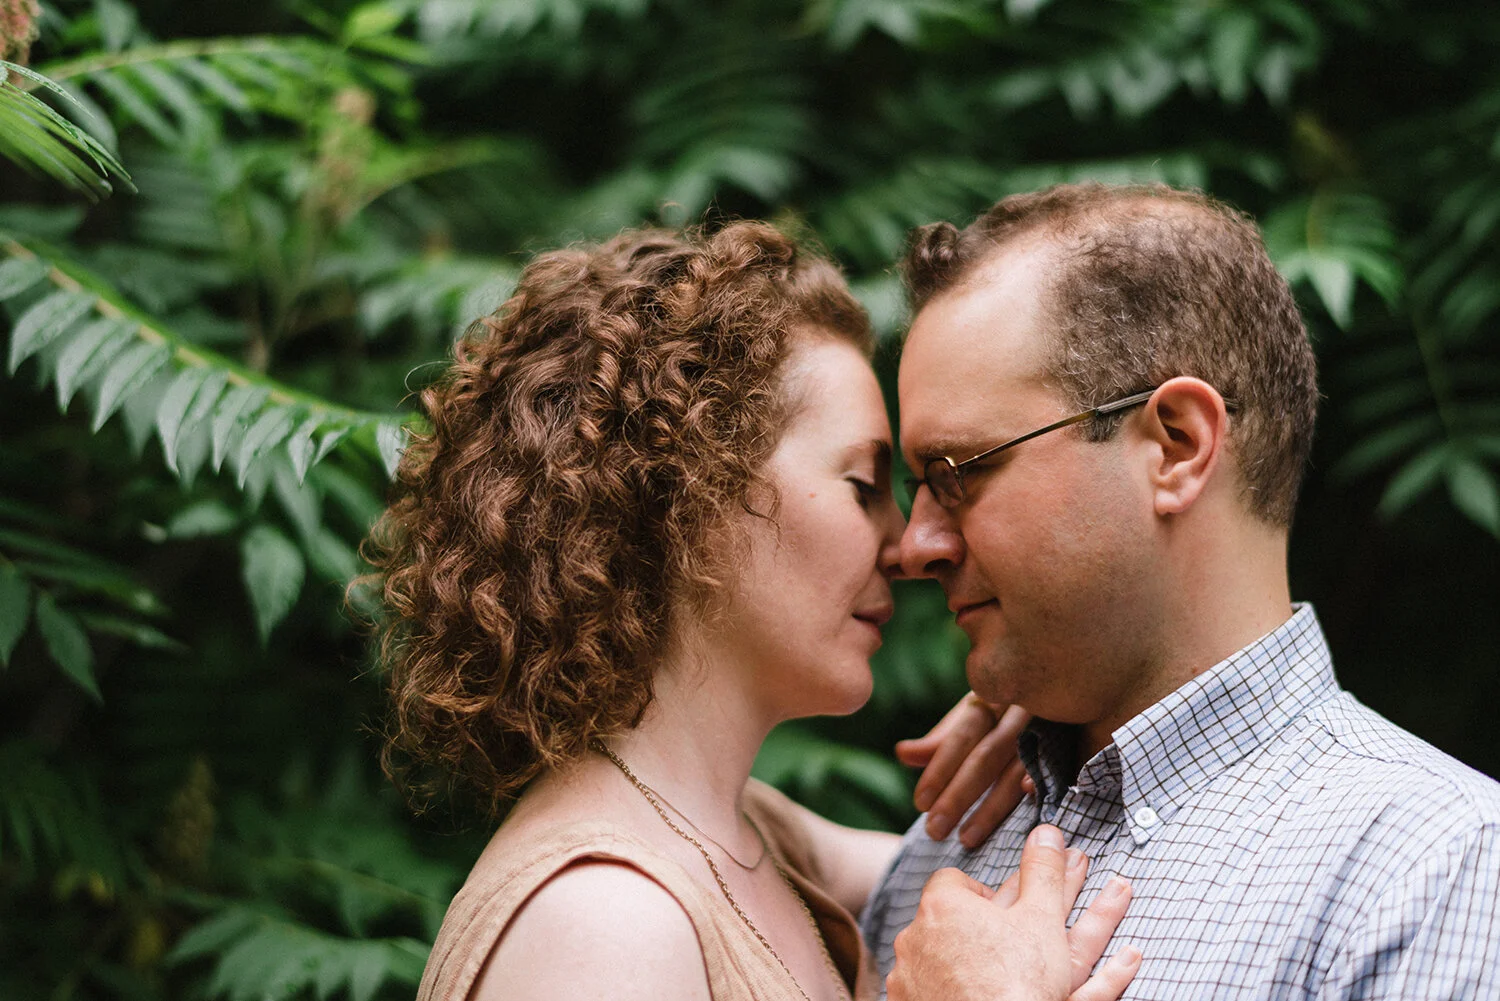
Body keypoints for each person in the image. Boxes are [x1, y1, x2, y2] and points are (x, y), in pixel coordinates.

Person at [363, 222, 1142, 1001]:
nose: (904, 546)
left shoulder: (751, 837)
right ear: (691, 493)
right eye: (863, 485)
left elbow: (992, 876)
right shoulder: (602, 924)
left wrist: (1049, 717)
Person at [860, 183, 1500, 1000]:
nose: (917, 546)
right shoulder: (937, 858)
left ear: (1176, 446)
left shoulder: (1437, 874)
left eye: (958, 472)